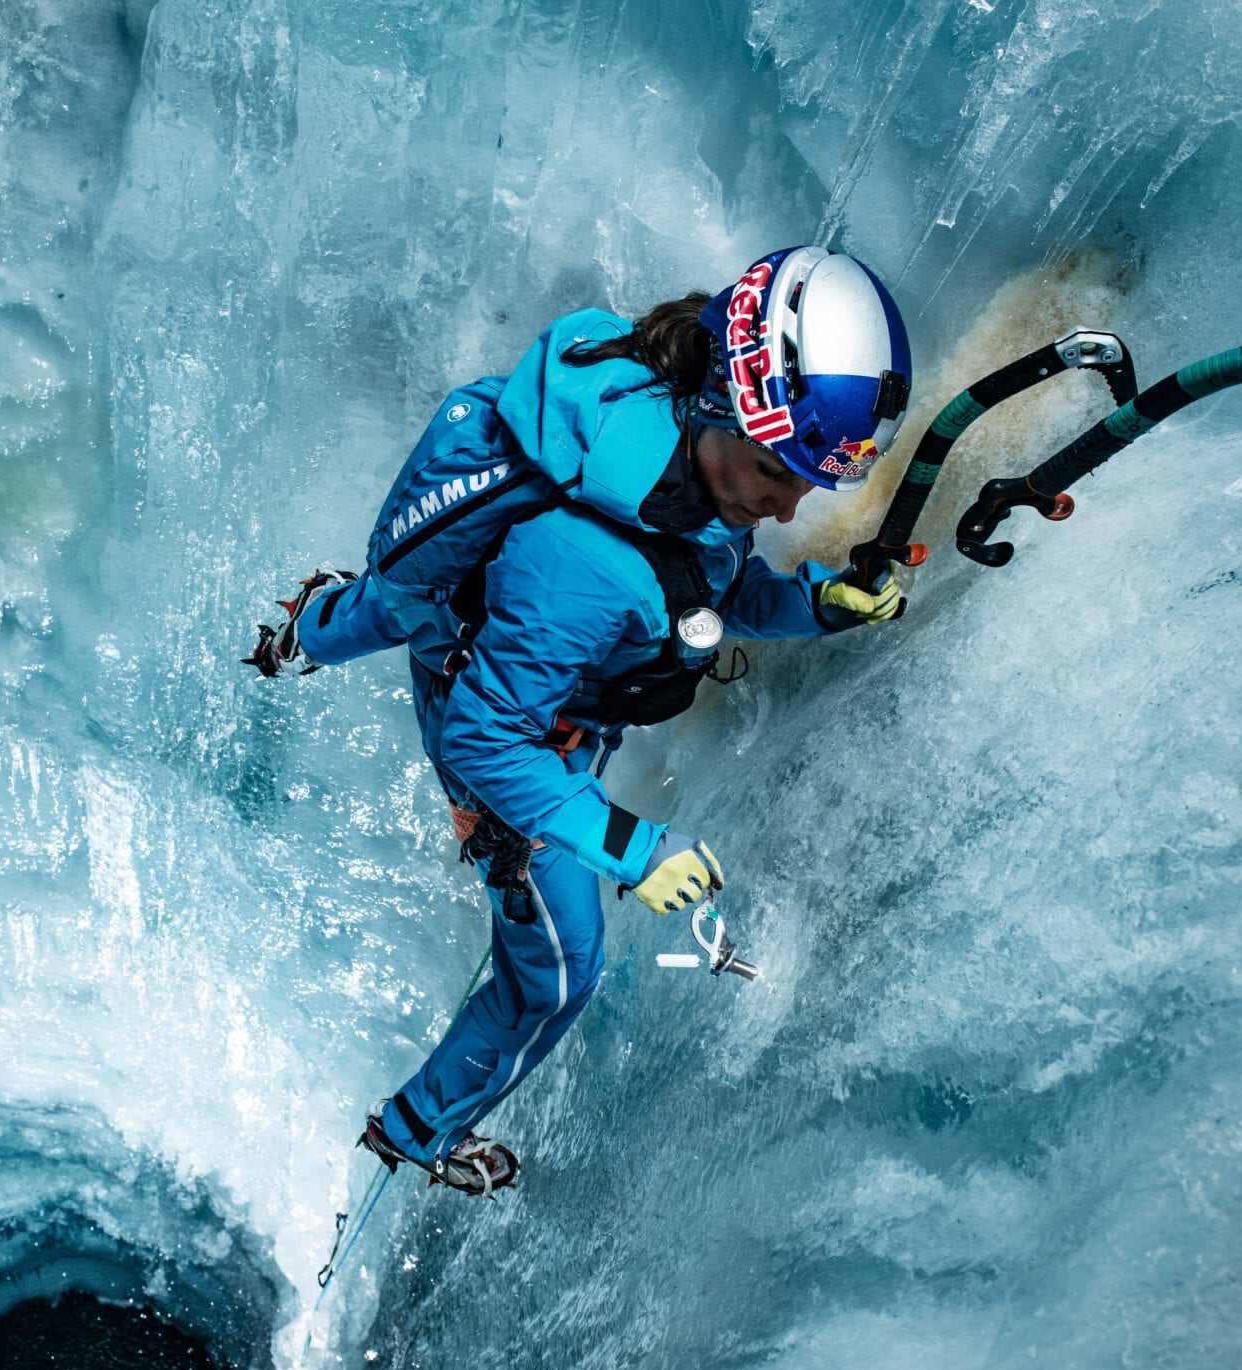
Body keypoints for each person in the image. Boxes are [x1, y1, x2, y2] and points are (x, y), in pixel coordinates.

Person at [247, 247, 914, 1194]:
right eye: (778, 472)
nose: (791, 501)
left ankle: (306, 632)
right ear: (724, 404)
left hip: (494, 635)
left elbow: (711, 584)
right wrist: (631, 848)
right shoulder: (589, 565)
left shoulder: (674, 433)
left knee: (394, 603)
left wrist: (817, 603)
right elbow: (483, 738)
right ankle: (418, 1130)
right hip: (517, 723)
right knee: (558, 973)